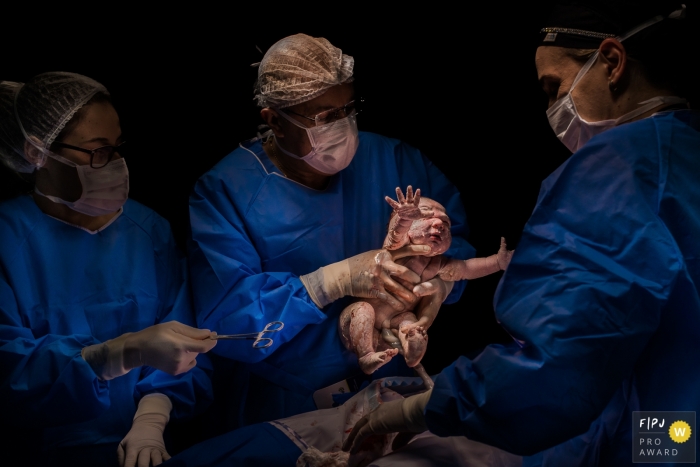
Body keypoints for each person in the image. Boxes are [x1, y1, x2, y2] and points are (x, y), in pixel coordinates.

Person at [342, 2, 700, 466]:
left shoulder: (618, 168)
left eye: (554, 88)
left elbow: (559, 359)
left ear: (611, 62)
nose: (553, 109)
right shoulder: (687, 147)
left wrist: (415, 411)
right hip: (674, 426)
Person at [188, 33, 475, 431]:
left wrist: (441, 277)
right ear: (274, 120)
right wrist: (326, 283)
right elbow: (229, 320)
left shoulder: (390, 161)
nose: (342, 126)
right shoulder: (227, 192)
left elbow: (454, 237)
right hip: (285, 400)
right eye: (323, 117)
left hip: (391, 380)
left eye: (348, 108)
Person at [0, 73, 216, 467]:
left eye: (118, 148)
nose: (115, 163)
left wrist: (152, 418)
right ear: (37, 152)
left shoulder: (149, 232)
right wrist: (116, 354)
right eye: (98, 150)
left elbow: (188, 345)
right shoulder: (7, 240)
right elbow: (9, 371)